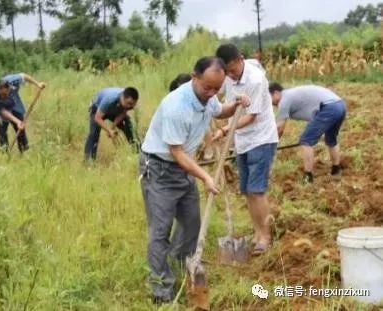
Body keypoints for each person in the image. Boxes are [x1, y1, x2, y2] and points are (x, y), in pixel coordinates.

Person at [140, 56, 249, 304]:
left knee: (191, 224)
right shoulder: (176, 107)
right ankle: (161, 289)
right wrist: (205, 177)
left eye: (216, 89)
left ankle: (180, 266)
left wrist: (235, 104)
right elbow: (176, 152)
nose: (211, 93)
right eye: (206, 87)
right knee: (160, 230)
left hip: (183, 167)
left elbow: (220, 111)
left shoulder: (208, 98)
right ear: (194, 77)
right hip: (160, 169)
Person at [214, 44, 279, 255]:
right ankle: (257, 232)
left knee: (256, 190)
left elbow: (251, 117)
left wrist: (225, 130)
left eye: (233, 70)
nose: (230, 75)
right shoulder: (226, 76)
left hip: (260, 138)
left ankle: (266, 236)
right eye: (227, 72)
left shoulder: (255, 80)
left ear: (240, 59)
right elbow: (217, 96)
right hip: (242, 141)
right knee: (246, 191)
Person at [269, 82, 347, 182]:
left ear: (276, 93)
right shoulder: (291, 94)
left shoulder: (284, 100)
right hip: (340, 105)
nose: (270, 103)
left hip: (329, 107)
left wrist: (272, 146)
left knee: (306, 140)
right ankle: (336, 169)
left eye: (269, 98)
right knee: (331, 138)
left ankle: (308, 176)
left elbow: (280, 128)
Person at [0, 73, 46, 152]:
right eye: (0, 95)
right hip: (0, 111)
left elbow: (24, 76)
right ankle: (4, 153)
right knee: (1, 131)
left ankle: (23, 150)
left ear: (9, 88)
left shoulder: (13, 80)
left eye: (4, 94)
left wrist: (37, 84)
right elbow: (3, 111)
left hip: (14, 104)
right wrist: (17, 121)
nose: (2, 96)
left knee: (21, 127)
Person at [84, 87, 139, 161]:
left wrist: (112, 127)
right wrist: (108, 130)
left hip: (114, 109)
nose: (130, 106)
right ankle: (89, 161)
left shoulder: (128, 103)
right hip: (97, 109)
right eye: (129, 104)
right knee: (94, 133)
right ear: (122, 97)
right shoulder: (110, 99)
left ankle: (138, 153)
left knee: (128, 125)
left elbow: (123, 113)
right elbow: (97, 118)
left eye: (132, 105)